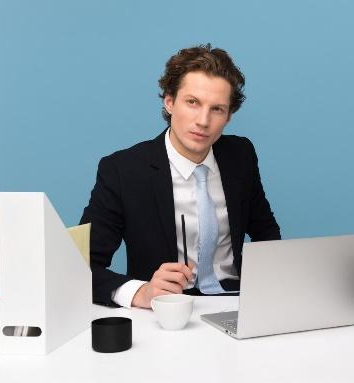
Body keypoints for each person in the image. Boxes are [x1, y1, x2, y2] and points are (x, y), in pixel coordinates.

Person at [80, 44, 281, 309]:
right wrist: (140, 292)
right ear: (170, 101)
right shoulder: (122, 170)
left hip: (238, 304)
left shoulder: (241, 156)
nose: (203, 121)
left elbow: (267, 234)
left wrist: (273, 287)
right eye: (193, 102)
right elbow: (81, 267)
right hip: (165, 312)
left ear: (229, 116)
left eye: (217, 109)